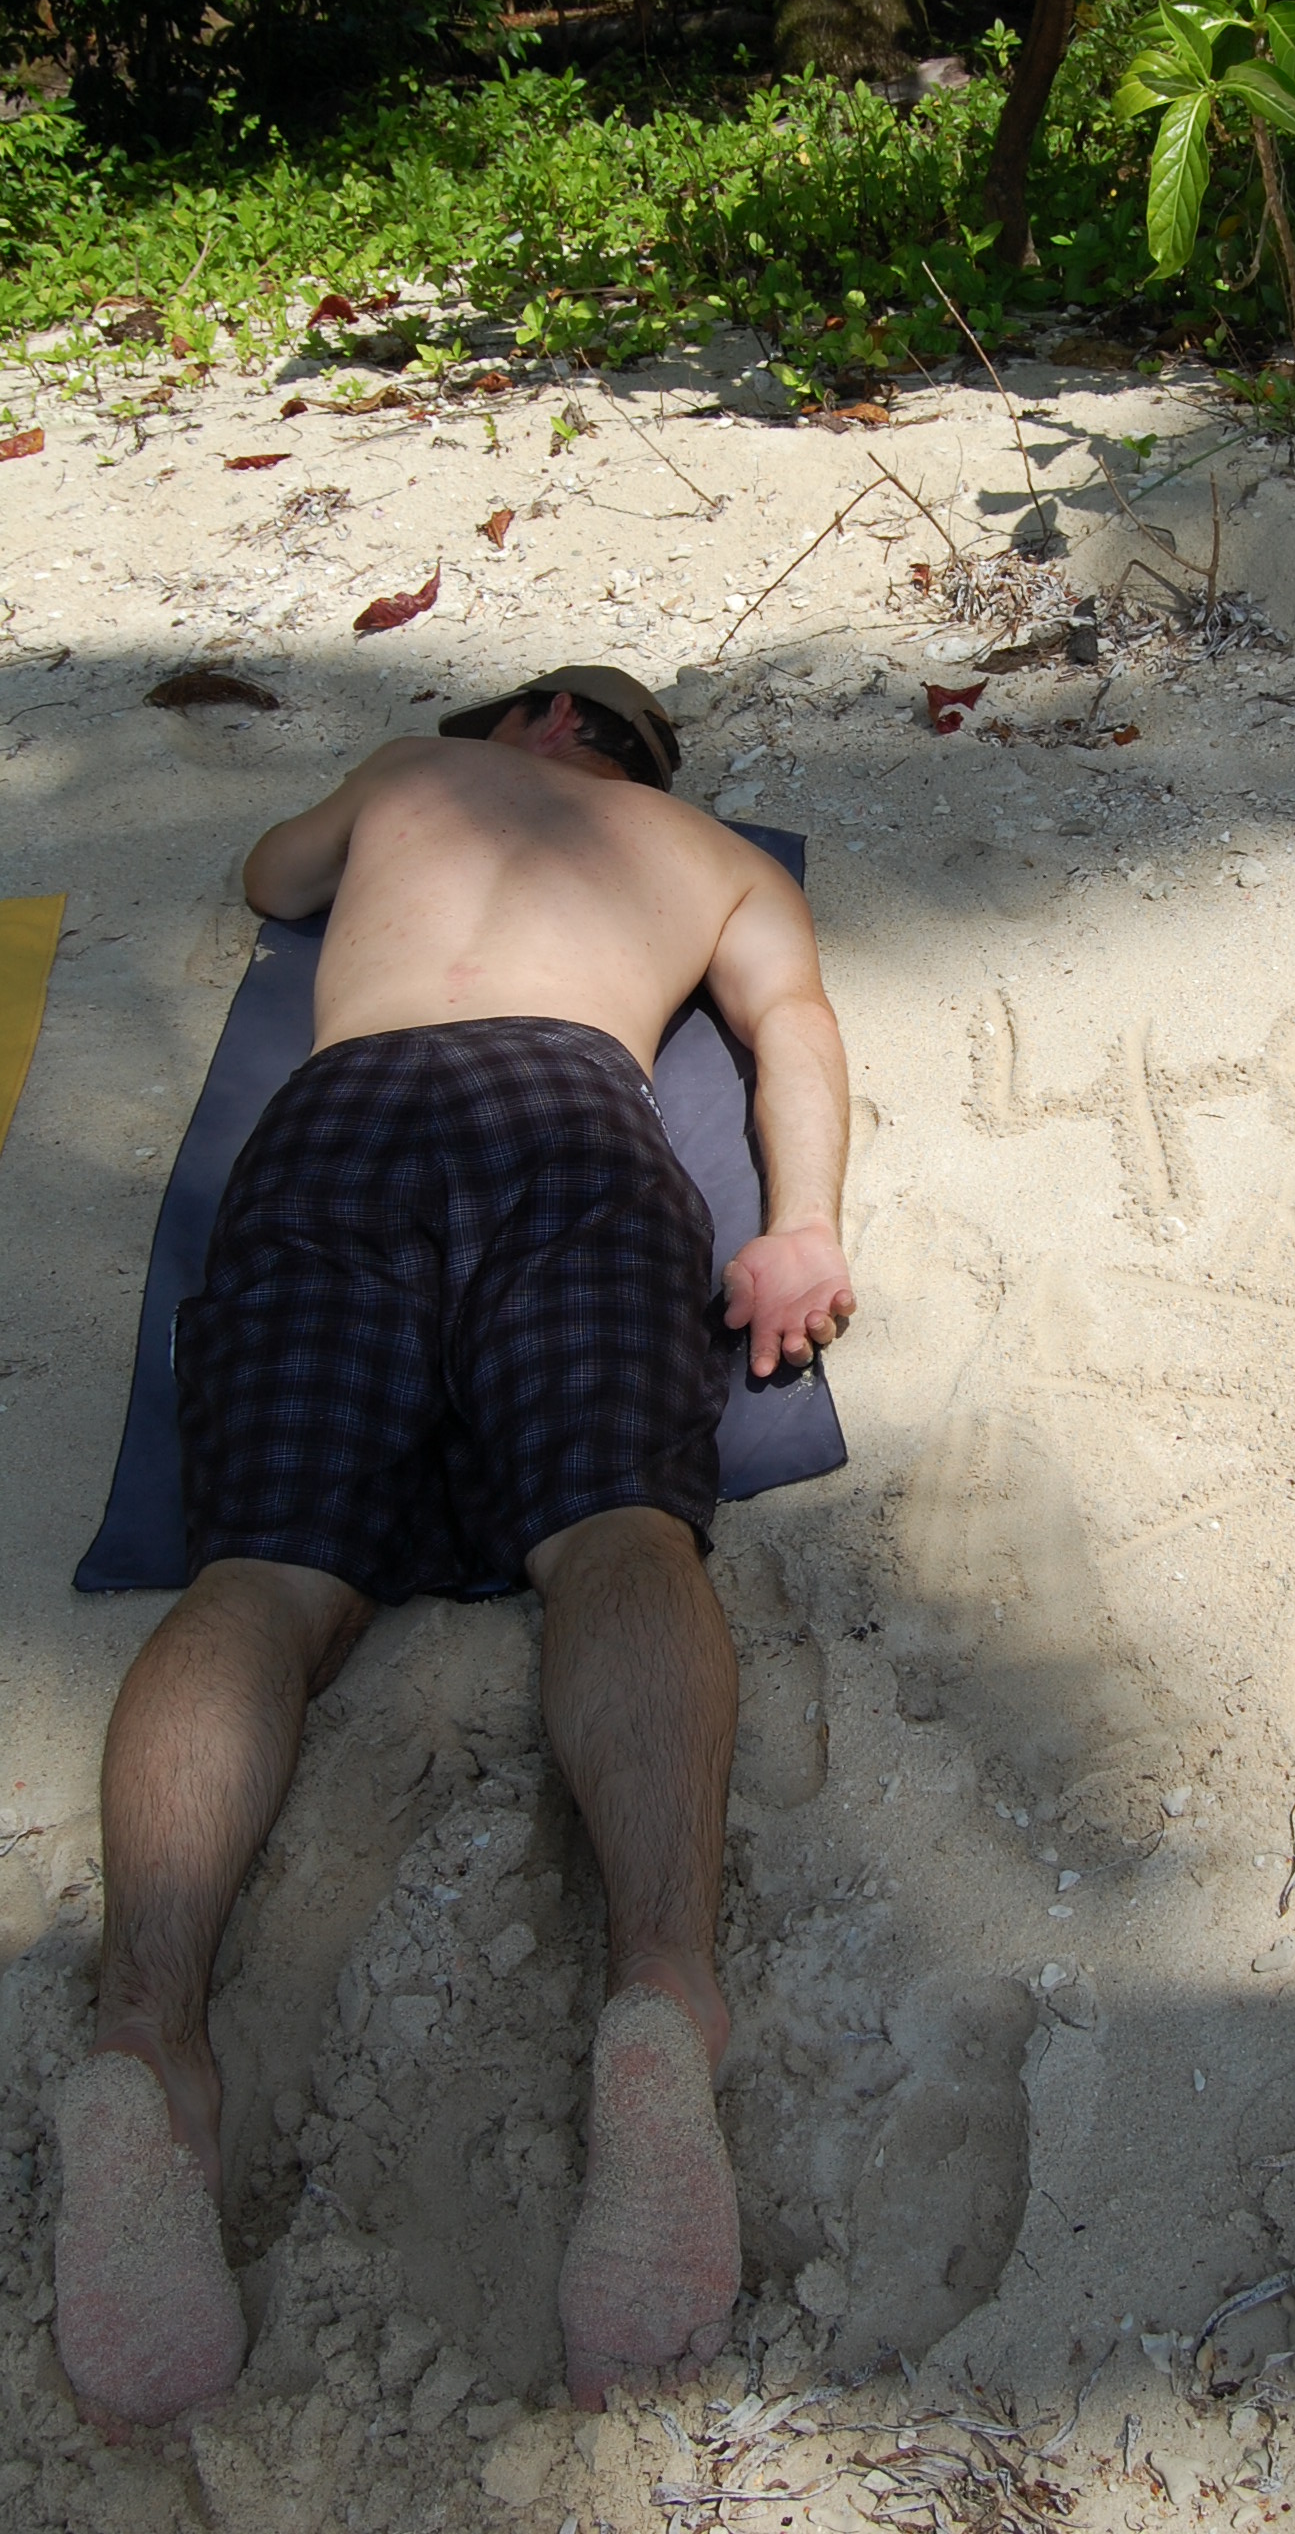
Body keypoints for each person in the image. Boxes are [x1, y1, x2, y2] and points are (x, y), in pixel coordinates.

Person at [53, 665, 856, 2432]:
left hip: (336, 1127)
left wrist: (398, 800)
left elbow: (273, 880)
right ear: (640, 768)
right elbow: (792, 1027)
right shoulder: (711, 856)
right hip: (572, 1113)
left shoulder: (413, 769)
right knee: (619, 1535)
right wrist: (800, 1224)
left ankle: (147, 2043)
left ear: (532, 722)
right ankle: (663, 1996)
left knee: (261, 1579)